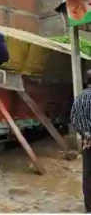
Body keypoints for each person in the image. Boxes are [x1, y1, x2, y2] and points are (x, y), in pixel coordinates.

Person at [70, 70, 91, 213]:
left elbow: (73, 118)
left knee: (88, 176)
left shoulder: (79, 98)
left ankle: (88, 207)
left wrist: (84, 134)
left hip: (87, 143)